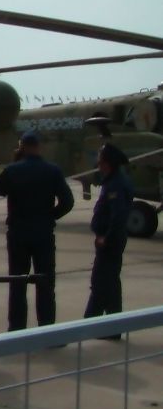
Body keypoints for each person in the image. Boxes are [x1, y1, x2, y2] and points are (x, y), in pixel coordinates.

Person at [0, 131, 74, 331]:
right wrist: (50, 216)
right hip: (43, 233)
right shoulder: (52, 170)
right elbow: (67, 201)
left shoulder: (13, 170)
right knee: (45, 283)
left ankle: (17, 329)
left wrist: (15, 162)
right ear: (38, 147)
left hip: (18, 233)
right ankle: (46, 329)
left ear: (22, 147)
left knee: (17, 283)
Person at [84, 143, 132, 333]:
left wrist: (107, 238)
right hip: (111, 240)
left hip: (110, 242)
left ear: (107, 163)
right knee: (110, 284)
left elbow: (118, 216)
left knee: (100, 282)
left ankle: (87, 326)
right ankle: (112, 328)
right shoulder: (114, 180)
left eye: (100, 159)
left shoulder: (115, 185)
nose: (98, 163)